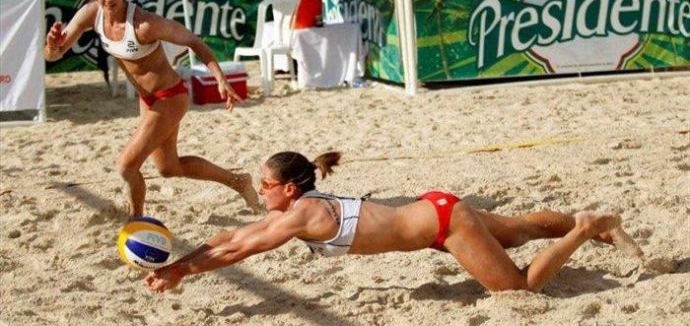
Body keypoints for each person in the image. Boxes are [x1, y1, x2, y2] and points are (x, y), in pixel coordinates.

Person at [145, 151, 643, 293]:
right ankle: (603, 227)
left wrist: (181, 271)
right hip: (437, 208)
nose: (261, 191)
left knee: (517, 288)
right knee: (521, 229)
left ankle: (585, 227)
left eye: (266, 185)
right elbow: (229, 236)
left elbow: (241, 250)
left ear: (290, 189)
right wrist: (180, 263)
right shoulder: (300, 206)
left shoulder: (301, 216)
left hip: (444, 226)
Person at [44, 0, 262, 217]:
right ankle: (239, 182)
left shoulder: (145, 24)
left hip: (170, 97)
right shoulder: (91, 14)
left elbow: (194, 41)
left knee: (126, 166)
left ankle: (136, 220)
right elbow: (53, 55)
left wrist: (220, 78)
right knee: (169, 168)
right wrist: (52, 46)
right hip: (147, 100)